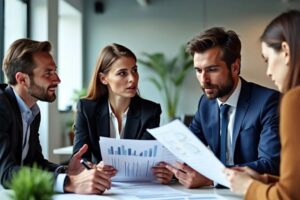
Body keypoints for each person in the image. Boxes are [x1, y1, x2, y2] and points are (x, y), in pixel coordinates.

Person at [165, 27, 281, 188]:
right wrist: (169, 169)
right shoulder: (205, 103)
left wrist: (211, 178)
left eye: (212, 70)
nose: (203, 80)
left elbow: (271, 164)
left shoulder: (268, 102)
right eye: (198, 71)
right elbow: (185, 149)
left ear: (235, 67)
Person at [0, 38, 112, 194]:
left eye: (55, 71)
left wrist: (67, 170)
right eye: (48, 73)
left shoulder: (32, 112)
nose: (57, 79)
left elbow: (35, 163)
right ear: (22, 79)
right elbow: (5, 174)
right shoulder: (1, 107)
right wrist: (69, 183)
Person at [224, 10, 300, 199]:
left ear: (286, 51)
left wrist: (248, 187)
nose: (267, 72)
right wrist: (265, 180)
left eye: (267, 59)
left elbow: (287, 197)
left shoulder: (293, 100)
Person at [72, 43, 172, 184]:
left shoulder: (150, 112)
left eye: (134, 70)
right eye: (122, 73)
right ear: (103, 78)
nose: (132, 78)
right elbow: (80, 157)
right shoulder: (86, 109)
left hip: (139, 189)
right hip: (100, 187)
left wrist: (165, 173)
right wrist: (93, 168)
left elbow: (146, 163)